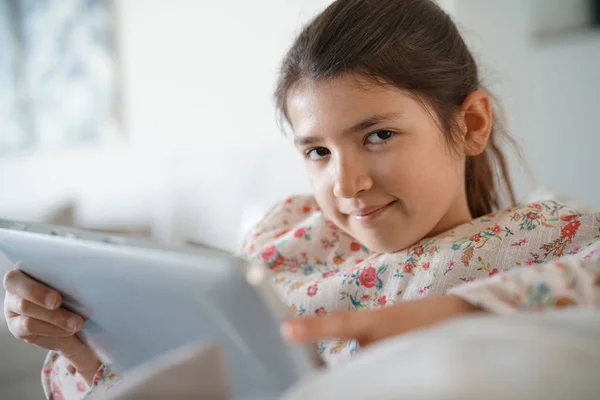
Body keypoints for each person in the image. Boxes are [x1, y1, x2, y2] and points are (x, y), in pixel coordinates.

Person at [3, 0, 600, 398]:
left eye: (378, 136)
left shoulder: (549, 238)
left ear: (470, 123)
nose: (346, 185)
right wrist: (79, 345)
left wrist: (458, 312)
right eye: (317, 152)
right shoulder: (287, 233)